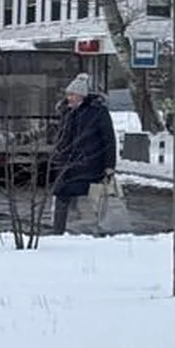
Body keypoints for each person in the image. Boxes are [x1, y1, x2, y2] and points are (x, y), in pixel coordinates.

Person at [49, 72, 116, 235]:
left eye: (72, 94)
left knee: (88, 199)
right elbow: (62, 136)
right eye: (68, 94)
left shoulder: (97, 112)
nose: (69, 98)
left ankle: (89, 232)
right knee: (61, 194)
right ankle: (59, 232)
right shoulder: (67, 112)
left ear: (82, 96)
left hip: (90, 163)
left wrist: (109, 166)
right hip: (66, 165)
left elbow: (109, 140)